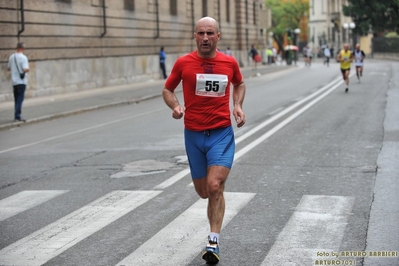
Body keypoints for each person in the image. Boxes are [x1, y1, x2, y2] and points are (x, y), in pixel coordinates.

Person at [162, 16, 246, 264]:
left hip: (221, 133)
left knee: (214, 186)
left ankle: (213, 241)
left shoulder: (229, 63)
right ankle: (214, 206)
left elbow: (239, 83)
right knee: (202, 192)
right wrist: (176, 106)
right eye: (201, 33)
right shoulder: (183, 63)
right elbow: (167, 89)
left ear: (218, 36)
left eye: (210, 33)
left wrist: (237, 106)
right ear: (195, 36)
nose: (206, 38)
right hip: (194, 135)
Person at [7, 42, 29, 122]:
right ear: (23, 48)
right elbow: (25, 69)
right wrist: (27, 70)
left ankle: (16, 115)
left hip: (14, 81)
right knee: (20, 99)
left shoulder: (11, 57)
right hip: (21, 81)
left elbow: (8, 68)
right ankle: (17, 116)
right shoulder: (23, 58)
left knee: (16, 99)